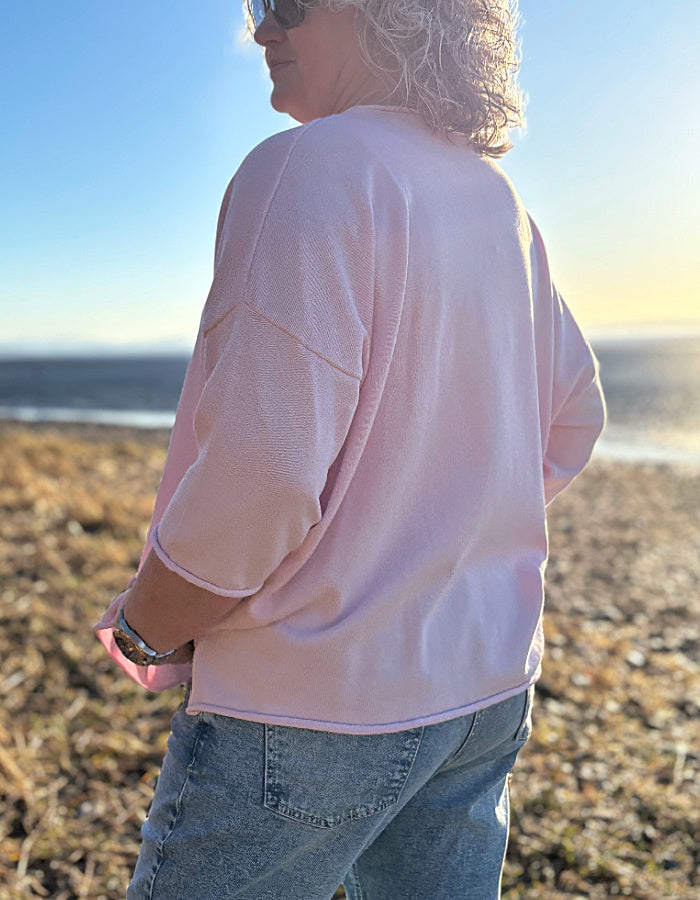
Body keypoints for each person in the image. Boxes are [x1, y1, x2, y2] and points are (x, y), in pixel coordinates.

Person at [94, 0, 606, 897]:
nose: (262, 30)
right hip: (483, 686)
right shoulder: (498, 198)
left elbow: (264, 473)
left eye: (288, 4)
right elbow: (573, 418)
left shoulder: (308, 168)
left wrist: (150, 622)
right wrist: (432, 534)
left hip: (309, 707)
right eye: (257, 6)